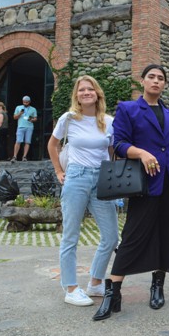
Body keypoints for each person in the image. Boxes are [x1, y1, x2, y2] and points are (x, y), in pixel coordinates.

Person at [93, 64, 169, 321]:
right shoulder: (128, 109)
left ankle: (158, 285)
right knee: (133, 234)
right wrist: (142, 153)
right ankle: (113, 292)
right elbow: (119, 144)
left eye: (161, 78)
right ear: (143, 81)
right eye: (152, 77)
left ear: (164, 84)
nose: (156, 81)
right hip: (145, 182)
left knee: (168, 233)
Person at [47, 75, 119, 307]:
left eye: (90, 89)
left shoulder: (108, 121)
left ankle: (95, 282)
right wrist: (59, 170)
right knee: (71, 235)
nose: (86, 93)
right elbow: (52, 144)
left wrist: (113, 180)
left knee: (111, 237)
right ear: (76, 96)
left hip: (101, 179)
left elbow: (111, 152)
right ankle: (70, 288)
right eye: (82, 90)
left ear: (97, 94)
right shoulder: (68, 118)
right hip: (76, 177)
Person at [11, 95, 37, 162]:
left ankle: (24, 156)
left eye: (27, 102)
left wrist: (32, 119)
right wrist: (20, 113)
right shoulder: (18, 107)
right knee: (18, 141)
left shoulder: (33, 109)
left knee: (27, 142)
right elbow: (14, 117)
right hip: (20, 126)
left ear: (29, 102)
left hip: (29, 127)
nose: (25, 103)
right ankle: (15, 156)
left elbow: (35, 118)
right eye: (24, 102)